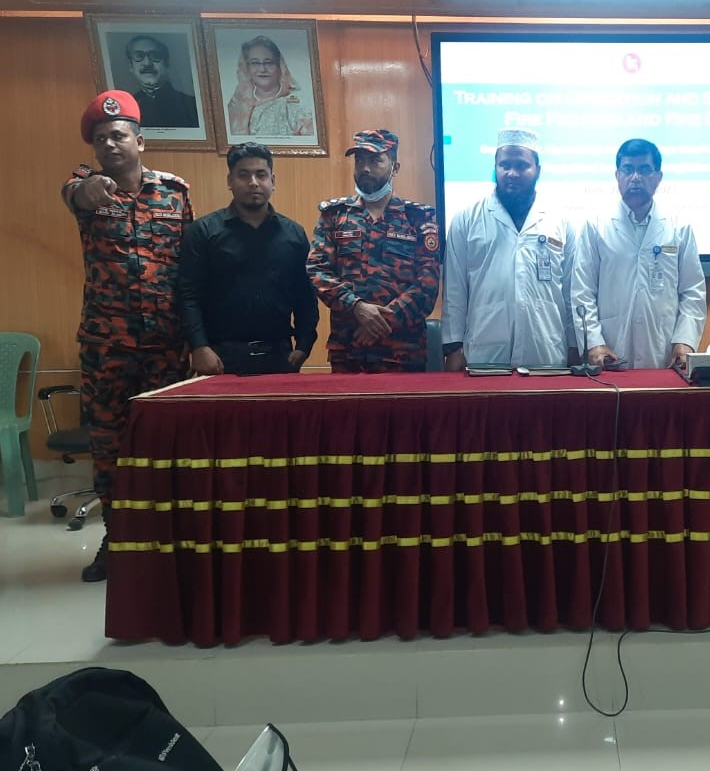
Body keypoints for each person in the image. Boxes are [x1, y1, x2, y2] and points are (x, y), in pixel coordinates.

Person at [61, 90, 192, 582]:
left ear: (140, 141)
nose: (110, 145)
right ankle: (116, 540)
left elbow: (189, 267)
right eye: (100, 139)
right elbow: (76, 194)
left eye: (118, 135)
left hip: (165, 346)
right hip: (107, 347)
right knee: (110, 447)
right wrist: (89, 187)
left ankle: (167, 540)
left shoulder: (175, 192)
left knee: (166, 447)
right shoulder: (85, 188)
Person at [441, 127, 576, 370]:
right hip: (485, 351)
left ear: (538, 170)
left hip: (545, 352)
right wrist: (453, 347)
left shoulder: (560, 221)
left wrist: (575, 346)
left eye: (522, 166)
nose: (512, 173)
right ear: (495, 168)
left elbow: (570, 291)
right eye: (504, 165)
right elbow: (455, 290)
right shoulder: (466, 219)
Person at [178, 142, 317, 376]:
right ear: (230, 181)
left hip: (280, 356)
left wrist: (304, 345)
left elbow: (305, 295)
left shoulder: (294, 234)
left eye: (261, 175)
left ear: (272, 180)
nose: (253, 182)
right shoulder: (203, 231)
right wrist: (199, 346)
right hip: (220, 357)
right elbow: (188, 295)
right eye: (243, 175)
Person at [306, 129, 440, 372]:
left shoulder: (419, 217)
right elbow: (318, 270)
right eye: (360, 161)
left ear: (395, 167)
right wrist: (356, 307)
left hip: (403, 353)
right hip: (349, 351)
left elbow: (427, 283)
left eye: (375, 160)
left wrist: (382, 321)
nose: (365, 168)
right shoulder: (335, 215)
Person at [571, 138, 706, 371]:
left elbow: (692, 290)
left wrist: (685, 340)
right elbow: (583, 291)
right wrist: (593, 342)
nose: (635, 177)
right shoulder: (595, 225)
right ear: (617, 176)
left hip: (664, 349)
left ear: (658, 177)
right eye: (628, 169)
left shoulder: (679, 227)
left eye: (644, 169)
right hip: (609, 349)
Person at [226, 36, 315, 137]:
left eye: (269, 62)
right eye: (255, 63)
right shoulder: (237, 104)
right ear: (247, 67)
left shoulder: (297, 103)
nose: (262, 69)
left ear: (280, 66)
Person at [123, 33, 199, 131]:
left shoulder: (192, 105)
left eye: (155, 55)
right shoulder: (125, 109)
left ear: (166, 63)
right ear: (131, 66)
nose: (147, 63)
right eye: (139, 56)